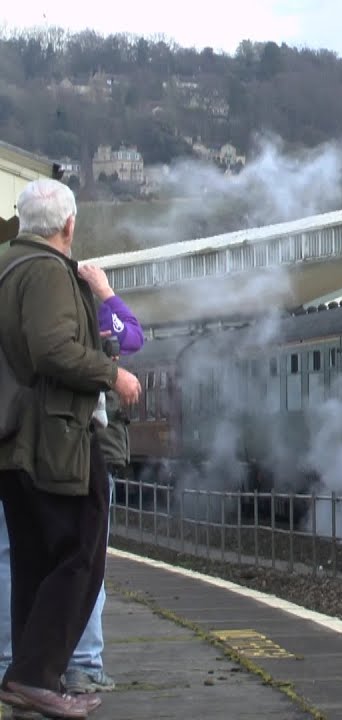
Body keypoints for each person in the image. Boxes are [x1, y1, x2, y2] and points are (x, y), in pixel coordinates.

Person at [0, 178, 141, 719]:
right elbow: (53, 348)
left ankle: (29, 680)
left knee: (34, 560)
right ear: (69, 225)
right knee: (81, 552)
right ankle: (34, 675)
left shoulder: (7, 268)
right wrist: (113, 375)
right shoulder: (47, 272)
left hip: (16, 442)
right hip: (53, 439)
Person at [64, 264, 144, 694]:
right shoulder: (91, 318)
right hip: (87, 453)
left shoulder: (29, 310)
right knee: (89, 563)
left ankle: (12, 665)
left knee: (15, 560)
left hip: (29, 450)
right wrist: (105, 290)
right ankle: (84, 664)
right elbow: (132, 335)